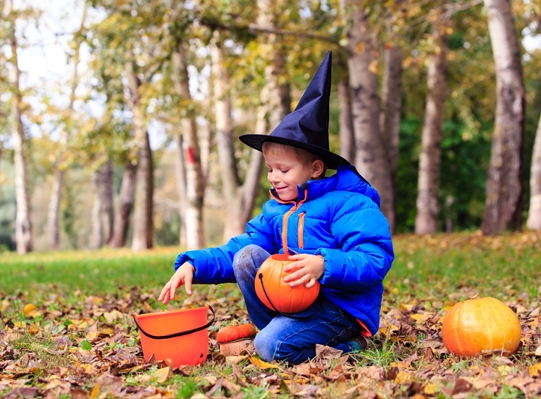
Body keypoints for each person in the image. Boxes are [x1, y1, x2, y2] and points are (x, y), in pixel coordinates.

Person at [158, 51, 394, 365]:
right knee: (247, 257)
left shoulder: (349, 203)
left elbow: (375, 258)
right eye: (271, 169)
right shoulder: (276, 210)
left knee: (271, 348)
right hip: (295, 303)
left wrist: (324, 265)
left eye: (283, 170)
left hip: (339, 309)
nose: (274, 177)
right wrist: (193, 265)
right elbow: (239, 249)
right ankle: (274, 331)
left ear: (315, 169)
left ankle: (348, 346)